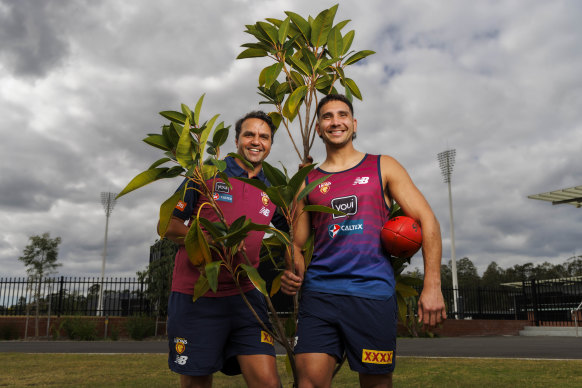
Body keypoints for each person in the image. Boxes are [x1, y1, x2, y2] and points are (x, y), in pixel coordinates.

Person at [281, 94, 446, 388]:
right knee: (308, 384)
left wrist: (432, 285)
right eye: (327, 117)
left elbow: (427, 221)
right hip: (320, 295)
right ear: (318, 128)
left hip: (371, 294)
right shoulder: (308, 181)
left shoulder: (384, 166)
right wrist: (293, 270)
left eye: (342, 115)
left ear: (354, 124)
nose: (335, 121)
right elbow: (296, 243)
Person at [163, 111, 287, 388]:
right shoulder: (207, 172)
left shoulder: (273, 188)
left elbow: (291, 230)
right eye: (249, 134)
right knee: (197, 382)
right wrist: (214, 242)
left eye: (264, 136)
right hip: (197, 295)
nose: (256, 141)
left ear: (270, 144)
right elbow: (170, 227)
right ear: (236, 140)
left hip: (247, 298)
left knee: (269, 383)